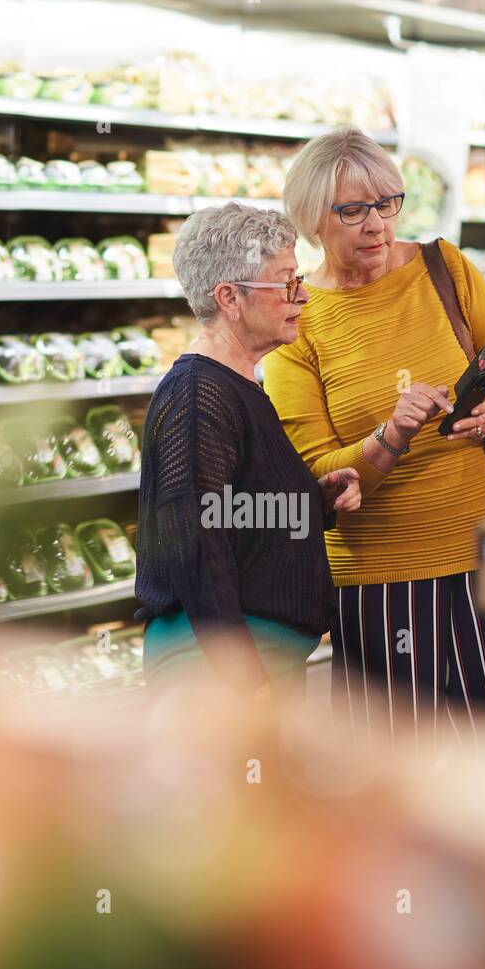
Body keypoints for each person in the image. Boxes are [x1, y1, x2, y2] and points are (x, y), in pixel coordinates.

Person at [263, 127, 485, 742]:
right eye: (353, 210)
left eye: (387, 203)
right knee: (392, 775)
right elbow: (317, 470)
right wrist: (389, 434)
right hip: (378, 583)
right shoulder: (299, 324)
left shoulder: (444, 268)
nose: (376, 225)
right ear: (313, 216)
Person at [135, 201, 361, 695]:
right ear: (229, 298)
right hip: (218, 669)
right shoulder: (199, 395)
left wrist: (311, 499)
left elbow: (231, 512)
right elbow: (196, 545)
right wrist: (244, 684)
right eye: (286, 283)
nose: (301, 297)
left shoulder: (236, 384)